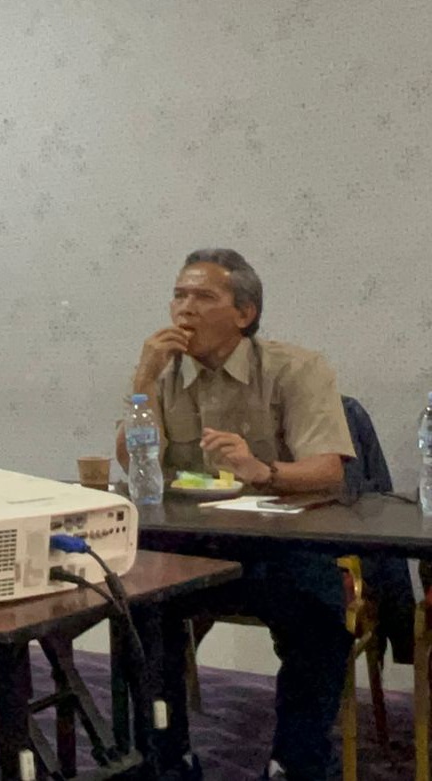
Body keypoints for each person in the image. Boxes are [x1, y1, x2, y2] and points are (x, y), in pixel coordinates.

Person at [117, 248, 354, 781]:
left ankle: (295, 763)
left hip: (278, 543)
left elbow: (328, 471)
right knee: (136, 613)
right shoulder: (162, 374)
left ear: (244, 313)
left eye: (203, 296)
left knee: (319, 620)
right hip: (190, 547)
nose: (185, 308)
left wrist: (262, 470)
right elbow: (134, 465)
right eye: (179, 295)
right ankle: (166, 760)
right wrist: (142, 380)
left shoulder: (297, 367)